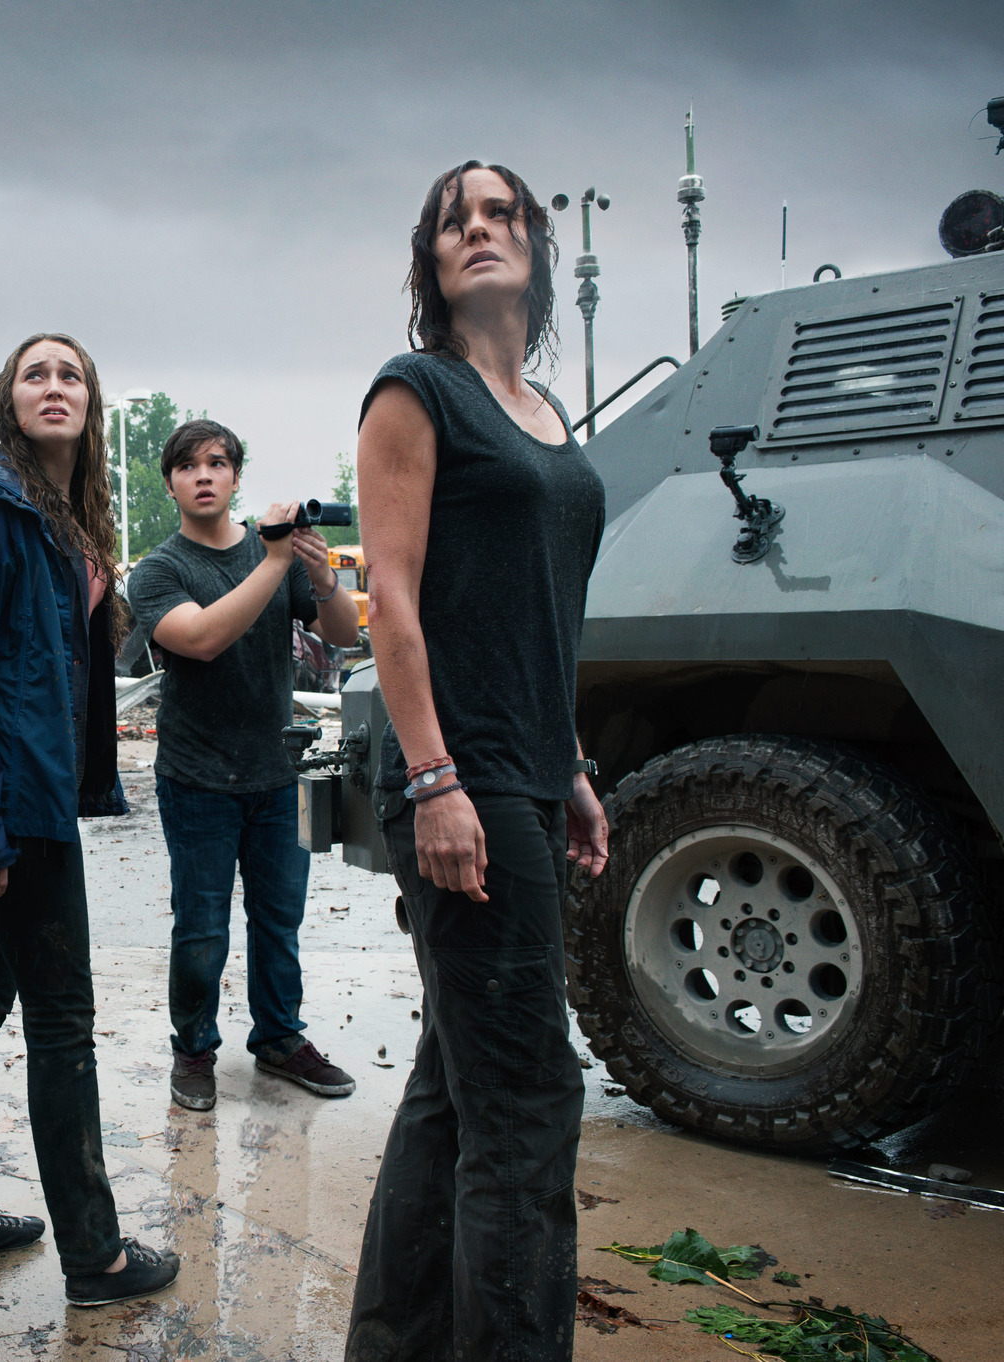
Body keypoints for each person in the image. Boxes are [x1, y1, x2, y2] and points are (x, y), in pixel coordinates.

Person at [344, 162, 609, 1361]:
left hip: (523, 772)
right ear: (431, 262)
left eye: (501, 214)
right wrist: (433, 780)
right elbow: (388, 603)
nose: (480, 231)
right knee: (528, 1104)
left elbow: (532, 613)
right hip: (458, 788)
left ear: (536, 249)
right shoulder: (418, 393)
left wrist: (568, 765)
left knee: (455, 1095)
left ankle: (394, 1345)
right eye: (456, 221)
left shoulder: (548, 412)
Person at [0, 332, 181, 1307]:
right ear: (7, 398)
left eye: (70, 373)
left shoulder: (58, 517)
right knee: (60, 1025)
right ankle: (95, 1256)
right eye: (36, 373)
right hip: (11, 812)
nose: (54, 386)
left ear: (90, 402)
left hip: (16, 800)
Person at [127, 419, 366, 1112]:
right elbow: (199, 640)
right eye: (189, 466)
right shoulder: (160, 570)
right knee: (200, 927)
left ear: (236, 477)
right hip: (196, 778)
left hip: (276, 770)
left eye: (218, 463)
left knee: (279, 919)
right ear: (170, 482)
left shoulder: (283, 561)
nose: (204, 475)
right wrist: (274, 561)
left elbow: (346, 634)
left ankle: (280, 1038)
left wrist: (317, 574)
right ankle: (195, 1048)